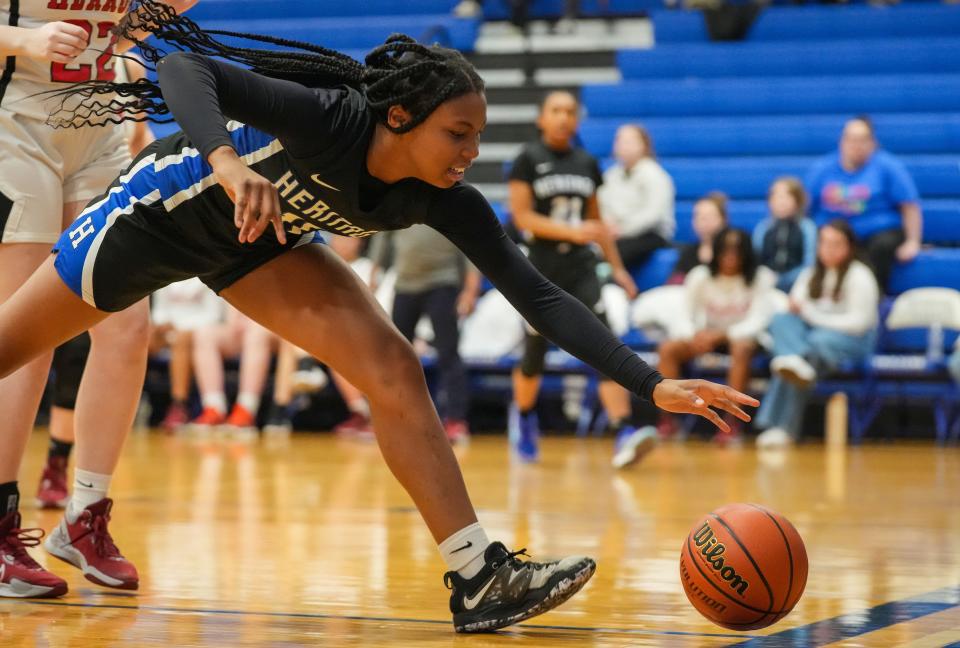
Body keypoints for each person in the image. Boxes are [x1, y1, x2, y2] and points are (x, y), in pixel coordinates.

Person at [12, 6, 755, 629]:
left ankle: (476, 575)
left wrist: (650, 384)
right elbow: (183, 71)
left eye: (476, 136)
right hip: (157, 215)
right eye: (456, 134)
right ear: (399, 117)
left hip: (256, 245)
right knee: (10, 350)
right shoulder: (330, 120)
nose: (470, 152)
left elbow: (541, 297)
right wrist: (227, 165)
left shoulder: (440, 196)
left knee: (392, 364)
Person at [0, 0, 196, 599]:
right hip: (15, 123)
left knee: (128, 323)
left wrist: (130, 28)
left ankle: (84, 517)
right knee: (25, 332)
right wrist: (20, 40)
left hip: (100, 120)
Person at [508, 90, 652, 469]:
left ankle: (623, 429)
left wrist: (617, 268)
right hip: (539, 268)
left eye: (570, 111)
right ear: (542, 118)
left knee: (605, 342)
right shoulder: (527, 159)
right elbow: (522, 217)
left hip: (581, 268)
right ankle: (523, 417)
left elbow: (596, 221)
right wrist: (570, 232)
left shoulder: (587, 162)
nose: (563, 117)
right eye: (555, 110)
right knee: (535, 351)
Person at [754, 220, 880, 448]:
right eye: (824, 243)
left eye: (836, 243)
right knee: (783, 323)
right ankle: (794, 358)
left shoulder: (860, 276)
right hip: (813, 343)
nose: (829, 249)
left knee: (808, 349)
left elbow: (859, 323)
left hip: (850, 342)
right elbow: (793, 307)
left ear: (849, 247)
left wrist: (812, 316)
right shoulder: (810, 274)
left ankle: (781, 427)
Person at [656, 228, 776, 444]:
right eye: (725, 250)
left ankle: (732, 422)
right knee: (668, 349)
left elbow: (759, 320)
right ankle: (669, 418)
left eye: (736, 251)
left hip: (743, 339)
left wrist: (723, 335)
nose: (730, 256)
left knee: (741, 348)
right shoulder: (700, 276)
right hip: (706, 337)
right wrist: (695, 335)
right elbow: (684, 315)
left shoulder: (761, 278)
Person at [370, 224, 481, 445]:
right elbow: (382, 238)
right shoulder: (399, 193)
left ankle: (456, 420)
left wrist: (470, 290)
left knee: (448, 354)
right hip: (404, 284)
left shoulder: (448, 195)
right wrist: (373, 274)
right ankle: (396, 419)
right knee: (396, 357)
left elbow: (468, 246)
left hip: (443, 283)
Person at [805, 116, 923, 290]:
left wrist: (913, 241)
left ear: (873, 143)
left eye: (863, 140)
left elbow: (909, 206)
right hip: (834, 231)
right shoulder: (823, 168)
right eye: (852, 139)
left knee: (882, 245)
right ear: (842, 142)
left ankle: (873, 296)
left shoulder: (888, 166)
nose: (856, 145)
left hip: (875, 234)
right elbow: (805, 204)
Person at [149, 277, 225, 430]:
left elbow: (214, 315)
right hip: (168, 330)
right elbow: (159, 310)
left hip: (197, 330)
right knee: (142, 336)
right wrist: (162, 324)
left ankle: (179, 405)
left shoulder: (209, 272)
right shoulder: (165, 270)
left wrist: (180, 326)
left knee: (181, 339)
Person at [187, 305, 276, 435]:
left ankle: (246, 410)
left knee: (256, 334)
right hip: (238, 328)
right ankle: (214, 409)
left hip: (272, 327)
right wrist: (234, 319)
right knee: (205, 334)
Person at [597, 124, 675, 270]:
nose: (623, 146)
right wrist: (608, 226)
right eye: (619, 141)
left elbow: (653, 215)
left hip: (650, 234)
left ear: (644, 145)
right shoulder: (611, 175)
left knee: (617, 252)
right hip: (615, 234)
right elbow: (601, 205)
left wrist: (622, 230)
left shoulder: (655, 175)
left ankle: (607, 282)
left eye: (630, 141)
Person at [752, 176, 817, 293]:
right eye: (776, 197)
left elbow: (810, 263)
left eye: (786, 197)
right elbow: (755, 260)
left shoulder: (807, 227)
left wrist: (787, 279)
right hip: (768, 283)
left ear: (798, 200)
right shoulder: (763, 228)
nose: (781, 202)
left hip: (798, 284)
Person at [670, 191, 728, 283]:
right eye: (698, 216)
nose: (703, 222)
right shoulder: (689, 253)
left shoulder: (735, 252)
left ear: (723, 219)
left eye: (709, 216)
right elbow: (675, 283)